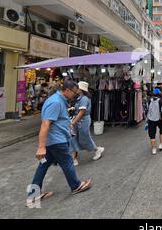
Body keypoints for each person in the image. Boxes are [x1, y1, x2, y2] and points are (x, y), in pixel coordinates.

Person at [26, 80, 92, 208]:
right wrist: (41, 147)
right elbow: (45, 124)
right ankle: (76, 185)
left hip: (54, 141)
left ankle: (33, 195)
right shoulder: (55, 102)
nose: (75, 95)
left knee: (43, 166)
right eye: (74, 92)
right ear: (67, 90)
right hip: (57, 141)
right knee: (67, 163)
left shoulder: (58, 100)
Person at [70, 81, 104, 166]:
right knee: (74, 138)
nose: (76, 89)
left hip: (83, 120)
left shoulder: (84, 98)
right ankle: (74, 158)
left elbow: (82, 112)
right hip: (79, 120)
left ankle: (96, 150)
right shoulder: (80, 98)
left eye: (77, 87)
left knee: (84, 137)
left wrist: (73, 122)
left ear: (81, 89)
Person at [146, 88, 162, 155]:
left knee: (152, 134)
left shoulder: (149, 101)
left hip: (151, 120)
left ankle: (153, 149)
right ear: (159, 94)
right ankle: (160, 144)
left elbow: (148, 110)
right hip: (159, 119)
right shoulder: (161, 101)